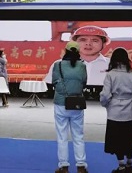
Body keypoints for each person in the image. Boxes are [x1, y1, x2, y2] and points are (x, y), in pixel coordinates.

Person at [45, 41, 88, 173]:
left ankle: (64, 166)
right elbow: (84, 83)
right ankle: (81, 166)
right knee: (78, 136)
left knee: (62, 136)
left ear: (66, 51)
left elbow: (54, 82)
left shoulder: (58, 65)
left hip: (61, 103)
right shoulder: (82, 66)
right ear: (78, 51)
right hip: (77, 104)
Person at [99, 47, 132, 173]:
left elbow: (105, 95)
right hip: (128, 113)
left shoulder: (110, 75)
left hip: (114, 113)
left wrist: (105, 104)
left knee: (116, 140)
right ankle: (129, 164)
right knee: (128, 140)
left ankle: (121, 166)